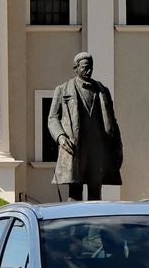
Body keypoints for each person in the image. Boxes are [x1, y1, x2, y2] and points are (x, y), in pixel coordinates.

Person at [47, 52, 122, 200]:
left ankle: (94, 222)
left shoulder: (102, 91)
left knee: (96, 191)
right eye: (85, 68)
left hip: (98, 150)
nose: (89, 71)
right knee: (75, 191)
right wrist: (60, 137)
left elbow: (113, 121)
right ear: (76, 68)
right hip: (75, 148)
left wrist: (118, 145)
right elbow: (52, 118)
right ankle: (74, 221)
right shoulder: (62, 90)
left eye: (91, 68)